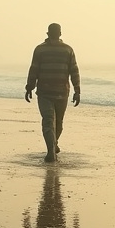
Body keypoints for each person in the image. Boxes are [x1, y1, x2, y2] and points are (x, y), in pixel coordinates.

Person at [24, 23, 81, 162]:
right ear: (60, 34)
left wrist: (29, 87)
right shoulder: (67, 50)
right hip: (60, 92)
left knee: (49, 122)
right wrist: (77, 90)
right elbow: (74, 71)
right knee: (57, 123)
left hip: (46, 92)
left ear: (47, 33)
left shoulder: (40, 50)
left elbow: (34, 70)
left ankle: (52, 147)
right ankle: (51, 150)